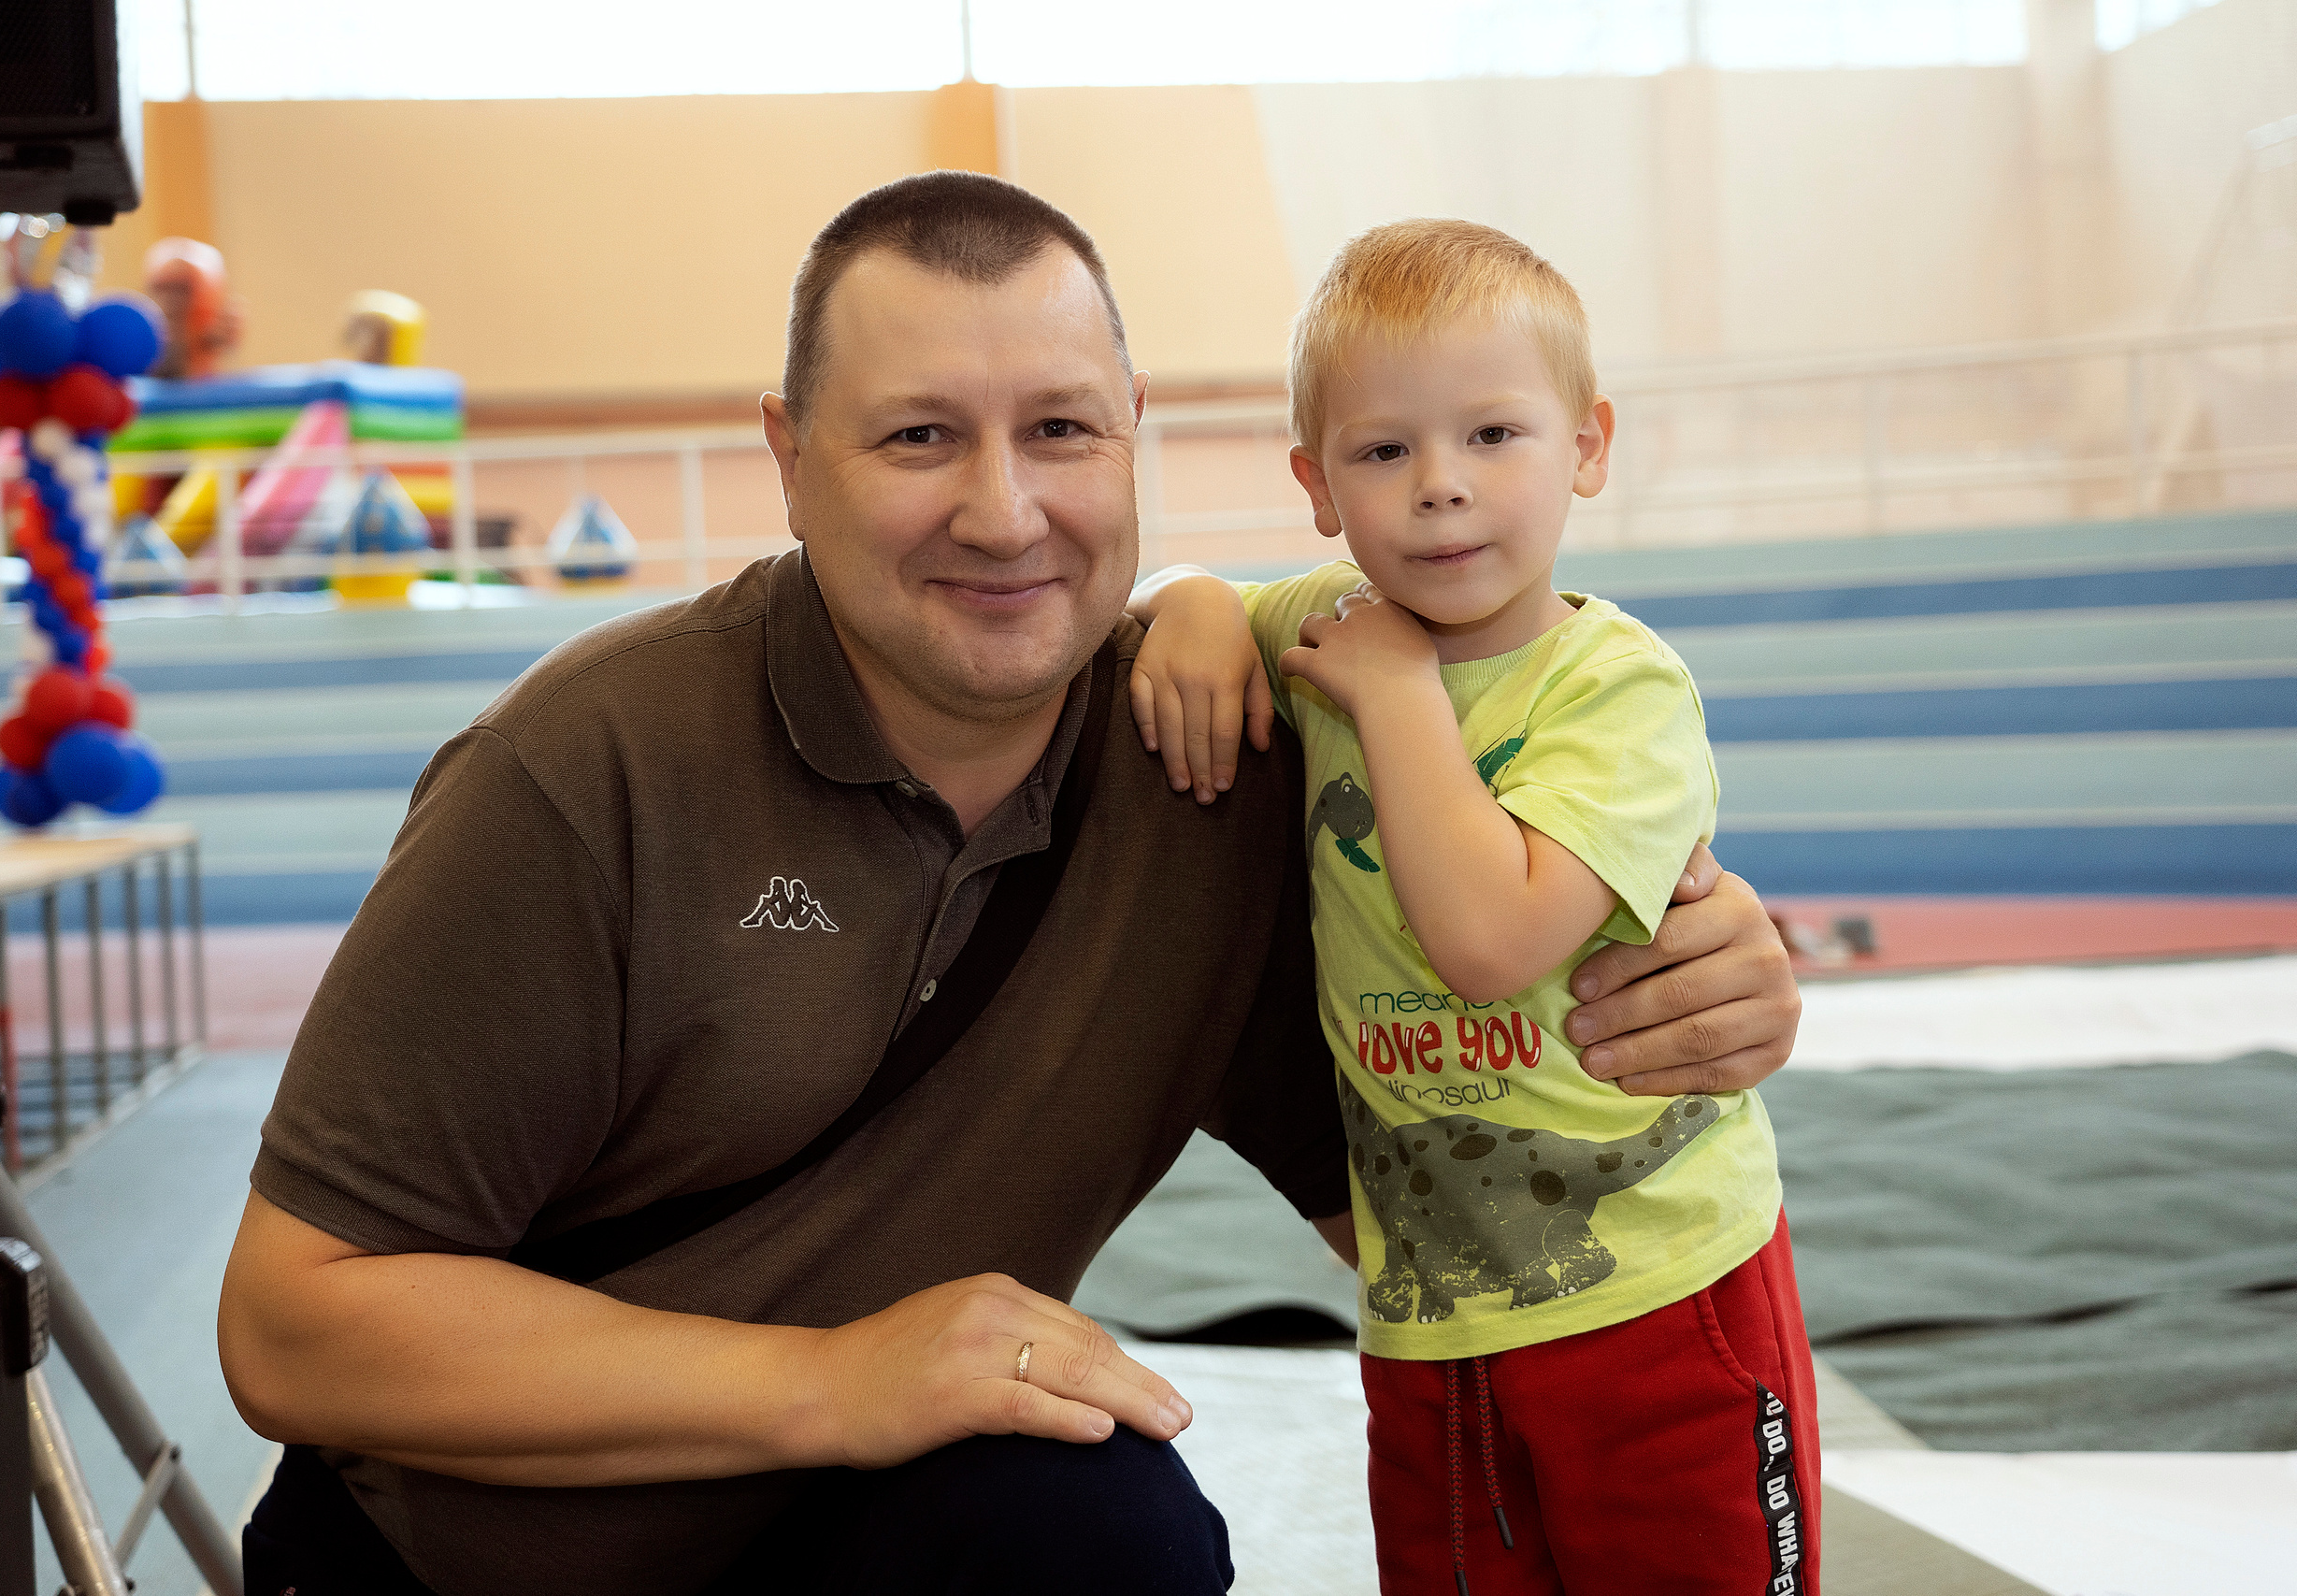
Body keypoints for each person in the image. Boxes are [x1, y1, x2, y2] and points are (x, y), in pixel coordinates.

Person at [217, 175, 1805, 1596]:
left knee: (1102, 1537)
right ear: (787, 456)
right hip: (476, 1564)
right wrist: (833, 1382)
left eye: (1060, 430)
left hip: (871, 1531)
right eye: (919, 435)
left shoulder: (1228, 774)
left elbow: (1408, 1160)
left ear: (1133, 443)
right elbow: (292, 1325)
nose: (1003, 511)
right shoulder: (585, 771)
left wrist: (1690, 992)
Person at [1126, 219, 1816, 1594]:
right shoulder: (1325, 622)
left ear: (1589, 445)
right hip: (1433, 1312)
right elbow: (1155, 602)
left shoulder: (1616, 690)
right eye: (1386, 452)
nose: (1441, 488)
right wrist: (1193, 600)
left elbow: (1490, 942)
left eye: (1494, 434)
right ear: (1319, 486)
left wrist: (1394, 697)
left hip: (1660, 1285)